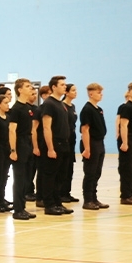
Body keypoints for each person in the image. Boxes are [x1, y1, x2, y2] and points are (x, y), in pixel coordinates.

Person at [40, 76, 73, 216]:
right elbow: (46, 127)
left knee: (61, 176)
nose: (65, 87)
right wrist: (50, 148)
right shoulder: (49, 104)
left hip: (64, 144)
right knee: (50, 176)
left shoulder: (61, 104)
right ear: (54, 87)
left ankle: (57, 202)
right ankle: (49, 205)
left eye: (65, 84)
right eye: (62, 84)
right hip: (55, 144)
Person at [8, 78, 38, 220]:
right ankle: (18, 210)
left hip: (27, 143)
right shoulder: (16, 109)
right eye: (27, 86)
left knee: (26, 178)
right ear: (19, 90)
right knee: (19, 179)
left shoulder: (28, 107)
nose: (31, 88)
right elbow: (12, 130)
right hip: (19, 144)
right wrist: (13, 150)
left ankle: (23, 207)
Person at [79, 83, 109, 211]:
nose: (101, 95)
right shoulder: (87, 109)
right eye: (98, 92)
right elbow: (85, 129)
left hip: (99, 142)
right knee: (90, 173)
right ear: (91, 94)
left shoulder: (98, 109)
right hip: (91, 143)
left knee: (97, 172)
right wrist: (87, 148)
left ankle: (94, 198)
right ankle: (88, 200)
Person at [61, 84, 79, 203]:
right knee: (63, 167)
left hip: (72, 138)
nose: (75, 92)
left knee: (70, 167)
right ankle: (61, 193)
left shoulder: (73, 106)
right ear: (66, 92)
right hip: (65, 138)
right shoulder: (62, 106)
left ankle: (67, 192)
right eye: (73, 90)